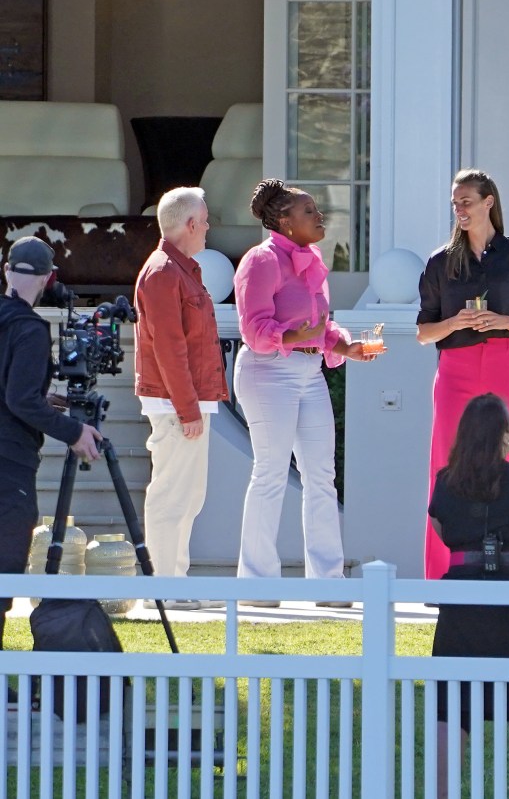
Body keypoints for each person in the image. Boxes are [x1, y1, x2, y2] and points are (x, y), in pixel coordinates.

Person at [233, 179, 376, 608]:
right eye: (309, 210)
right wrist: (299, 334)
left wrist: (346, 346)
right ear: (284, 221)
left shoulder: (311, 258)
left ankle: (327, 583)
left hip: (309, 372)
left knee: (322, 476)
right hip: (266, 372)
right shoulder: (260, 261)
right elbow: (255, 331)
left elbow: (321, 328)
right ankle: (257, 584)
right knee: (271, 472)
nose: (320, 216)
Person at [417, 168, 509, 579]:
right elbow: (423, 333)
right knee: (445, 465)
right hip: (454, 369)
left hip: (503, 362)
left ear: (488, 202)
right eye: (455, 203)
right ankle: (442, 575)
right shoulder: (440, 261)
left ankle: (495, 568)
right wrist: (455, 323)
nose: (459, 209)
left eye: (466, 201)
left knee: (499, 466)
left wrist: (502, 320)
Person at [429, 393, 509, 798]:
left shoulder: (446, 483)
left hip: (463, 607)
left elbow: (441, 529)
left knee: (451, 709)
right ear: (505, 437)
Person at [0, 237, 101, 650]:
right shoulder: (30, 329)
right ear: (47, 278)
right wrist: (74, 432)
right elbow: (18, 399)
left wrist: (43, 400)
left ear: (6, 272)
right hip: (9, 465)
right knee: (3, 573)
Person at [135, 187, 229, 604]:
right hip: (175, 402)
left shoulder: (178, 270)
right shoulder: (163, 273)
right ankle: (165, 589)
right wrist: (188, 408)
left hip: (184, 401)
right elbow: (168, 347)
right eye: (205, 220)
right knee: (173, 493)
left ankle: (173, 584)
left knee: (188, 495)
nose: (208, 227)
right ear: (190, 224)